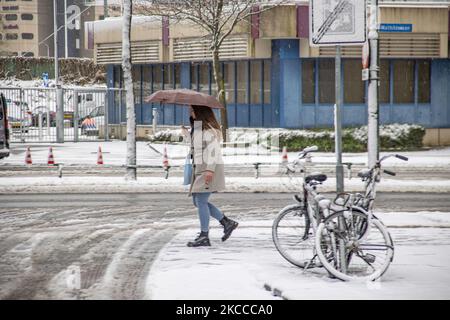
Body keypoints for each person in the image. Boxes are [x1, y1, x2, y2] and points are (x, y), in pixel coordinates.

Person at [181, 105, 238, 247]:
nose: (191, 113)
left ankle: (204, 235)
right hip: (200, 168)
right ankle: (226, 222)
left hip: (208, 169)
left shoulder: (208, 130)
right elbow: (196, 147)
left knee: (200, 201)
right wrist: (187, 134)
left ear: (200, 112)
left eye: (193, 111)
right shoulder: (199, 128)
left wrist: (210, 171)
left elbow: (214, 151)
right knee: (198, 201)